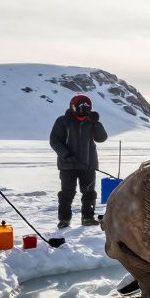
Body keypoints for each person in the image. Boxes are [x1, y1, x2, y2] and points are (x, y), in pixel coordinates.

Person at [49, 94, 108, 228]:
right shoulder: (63, 121)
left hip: (88, 164)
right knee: (66, 194)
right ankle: (64, 220)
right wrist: (66, 154)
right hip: (68, 165)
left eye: (86, 106)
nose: (83, 109)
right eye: (80, 106)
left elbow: (102, 138)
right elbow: (54, 140)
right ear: (73, 106)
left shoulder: (90, 122)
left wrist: (96, 122)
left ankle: (87, 217)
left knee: (89, 193)